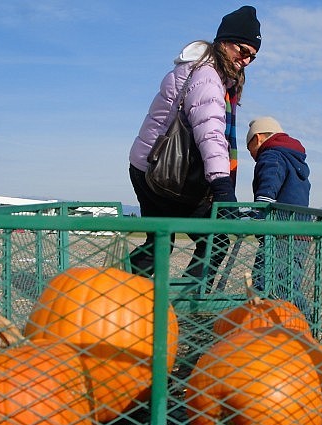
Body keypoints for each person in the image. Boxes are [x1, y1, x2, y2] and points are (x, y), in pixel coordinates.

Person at [128, 6, 261, 285]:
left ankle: (115, 289)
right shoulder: (208, 78)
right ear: (224, 42)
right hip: (164, 172)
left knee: (159, 243)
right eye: (243, 51)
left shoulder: (200, 70)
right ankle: (187, 307)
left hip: (148, 165)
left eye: (253, 56)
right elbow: (210, 134)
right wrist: (223, 188)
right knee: (215, 240)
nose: (247, 60)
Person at [246, 116, 312, 312]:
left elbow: (267, 193)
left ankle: (259, 331)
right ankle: (306, 329)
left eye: (250, 149)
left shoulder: (271, 156)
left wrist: (258, 223)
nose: (252, 155)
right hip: (300, 234)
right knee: (289, 287)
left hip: (278, 234)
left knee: (261, 285)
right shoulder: (294, 158)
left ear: (257, 138)